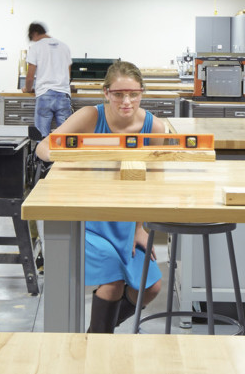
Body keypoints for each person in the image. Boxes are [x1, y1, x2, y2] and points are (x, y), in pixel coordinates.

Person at [36, 60, 166, 333]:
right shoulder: (90, 117)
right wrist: (60, 155)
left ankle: (97, 333)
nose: (126, 101)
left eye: (133, 93)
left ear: (142, 92)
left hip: (127, 221)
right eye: (118, 94)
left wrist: (140, 227)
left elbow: (152, 184)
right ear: (106, 92)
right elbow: (45, 145)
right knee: (113, 282)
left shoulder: (154, 128)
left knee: (151, 286)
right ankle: (99, 342)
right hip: (87, 217)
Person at [24, 22, 73, 137]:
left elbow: (30, 75)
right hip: (63, 95)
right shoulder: (64, 46)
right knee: (66, 138)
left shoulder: (36, 47)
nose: (34, 41)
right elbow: (68, 72)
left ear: (34, 33)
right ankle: (64, 155)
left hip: (44, 95)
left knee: (41, 137)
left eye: (32, 38)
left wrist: (27, 88)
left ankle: (42, 155)